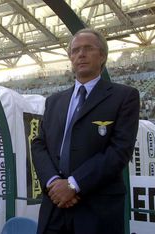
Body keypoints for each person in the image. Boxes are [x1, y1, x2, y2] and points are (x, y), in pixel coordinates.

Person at [31, 28, 140, 234]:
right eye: (75, 50)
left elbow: (119, 151)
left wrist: (73, 184)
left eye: (88, 48)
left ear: (103, 56)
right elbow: (39, 144)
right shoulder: (54, 101)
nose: (81, 54)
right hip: (54, 206)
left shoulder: (124, 96)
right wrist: (54, 183)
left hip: (96, 208)